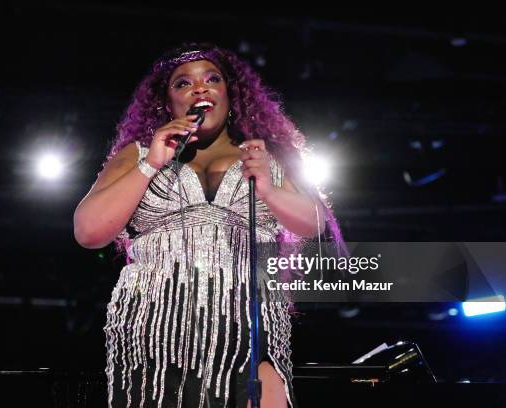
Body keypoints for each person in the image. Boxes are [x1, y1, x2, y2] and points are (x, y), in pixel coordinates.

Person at [74, 43, 345, 408]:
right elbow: (89, 231)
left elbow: (315, 224)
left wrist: (267, 188)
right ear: (167, 104)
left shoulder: (265, 154)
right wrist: (151, 164)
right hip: (153, 334)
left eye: (211, 79)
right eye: (182, 84)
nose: (199, 88)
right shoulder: (139, 153)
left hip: (251, 329)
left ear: (230, 95)